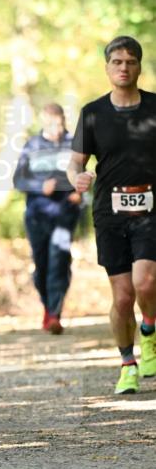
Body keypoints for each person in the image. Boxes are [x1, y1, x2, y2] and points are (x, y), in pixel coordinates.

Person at [67, 35, 156, 394]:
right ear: (107, 68)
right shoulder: (92, 113)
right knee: (122, 297)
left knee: (145, 283)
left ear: (139, 66)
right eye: (116, 62)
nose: (123, 68)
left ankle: (148, 329)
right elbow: (74, 164)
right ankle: (127, 363)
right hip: (110, 211)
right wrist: (79, 179)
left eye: (130, 61)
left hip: (151, 207)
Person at [13, 103, 83, 334]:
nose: (56, 128)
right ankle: (47, 307)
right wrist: (39, 186)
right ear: (44, 122)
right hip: (37, 215)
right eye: (51, 123)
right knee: (41, 264)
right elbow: (18, 180)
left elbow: (85, 177)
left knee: (59, 259)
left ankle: (55, 313)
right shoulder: (32, 145)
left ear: (64, 121)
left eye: (59, 123)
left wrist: (79, 194)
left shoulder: (73, 144)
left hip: (65, 214)